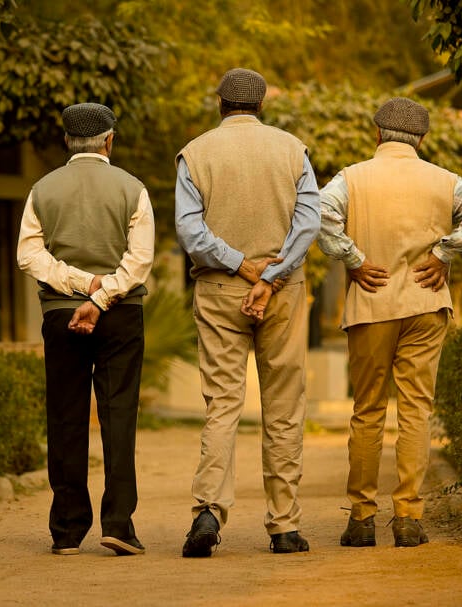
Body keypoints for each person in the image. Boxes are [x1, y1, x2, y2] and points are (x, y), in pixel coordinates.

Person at [317, 97, 462, 548]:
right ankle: (407, 518)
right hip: (426, 304)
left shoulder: (351, 178)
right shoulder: (445, 181)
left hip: (371, 304)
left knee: (367, 411)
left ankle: (362, 518)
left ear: (377, 133)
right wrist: (444, 252)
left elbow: (317, 214)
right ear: (421, 139)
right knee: (416, 410)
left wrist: (353, 258)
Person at [174, 68, 321, 557]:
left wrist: (240, 265)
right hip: (283, 292)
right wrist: (270, 276)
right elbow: (308, 223)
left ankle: (208, 511)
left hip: (219, 288)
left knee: (222, 404)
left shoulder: (195, 153)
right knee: (284, 406)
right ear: (261, 105)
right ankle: (284, 526)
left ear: (221, 104)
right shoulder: (293, 150)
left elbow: (190, 232)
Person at [16, 102, 155, 557]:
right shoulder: (133, 189)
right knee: (119, 416)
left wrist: (80, 286)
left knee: (65, 416)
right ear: (109, 140)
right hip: (121, 315)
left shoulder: (42, 189)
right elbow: (139, 262)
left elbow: (29, 256)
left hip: (61, 313)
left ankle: (67, 530)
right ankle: (119, 525)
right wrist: (101, 296)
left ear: (66, 141)